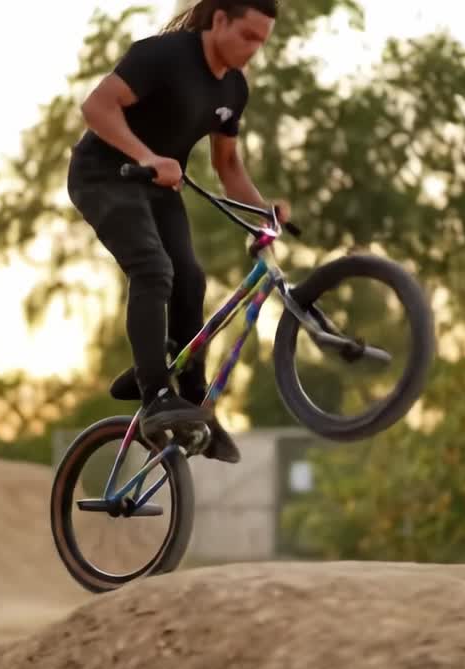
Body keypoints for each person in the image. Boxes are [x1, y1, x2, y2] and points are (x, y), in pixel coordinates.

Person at [65, 0, 290, 464]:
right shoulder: (162, 56)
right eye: (247, 36)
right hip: (104, 175)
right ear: (220, 20)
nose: (253, 50)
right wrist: (147, 156)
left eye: (261, 42)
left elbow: (227, 166)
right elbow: (97, 107)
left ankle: (195, 404)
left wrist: (264, 210)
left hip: (158, 186)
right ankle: (154, 397)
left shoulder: (233, 88)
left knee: (190, 278)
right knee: (153, 268)